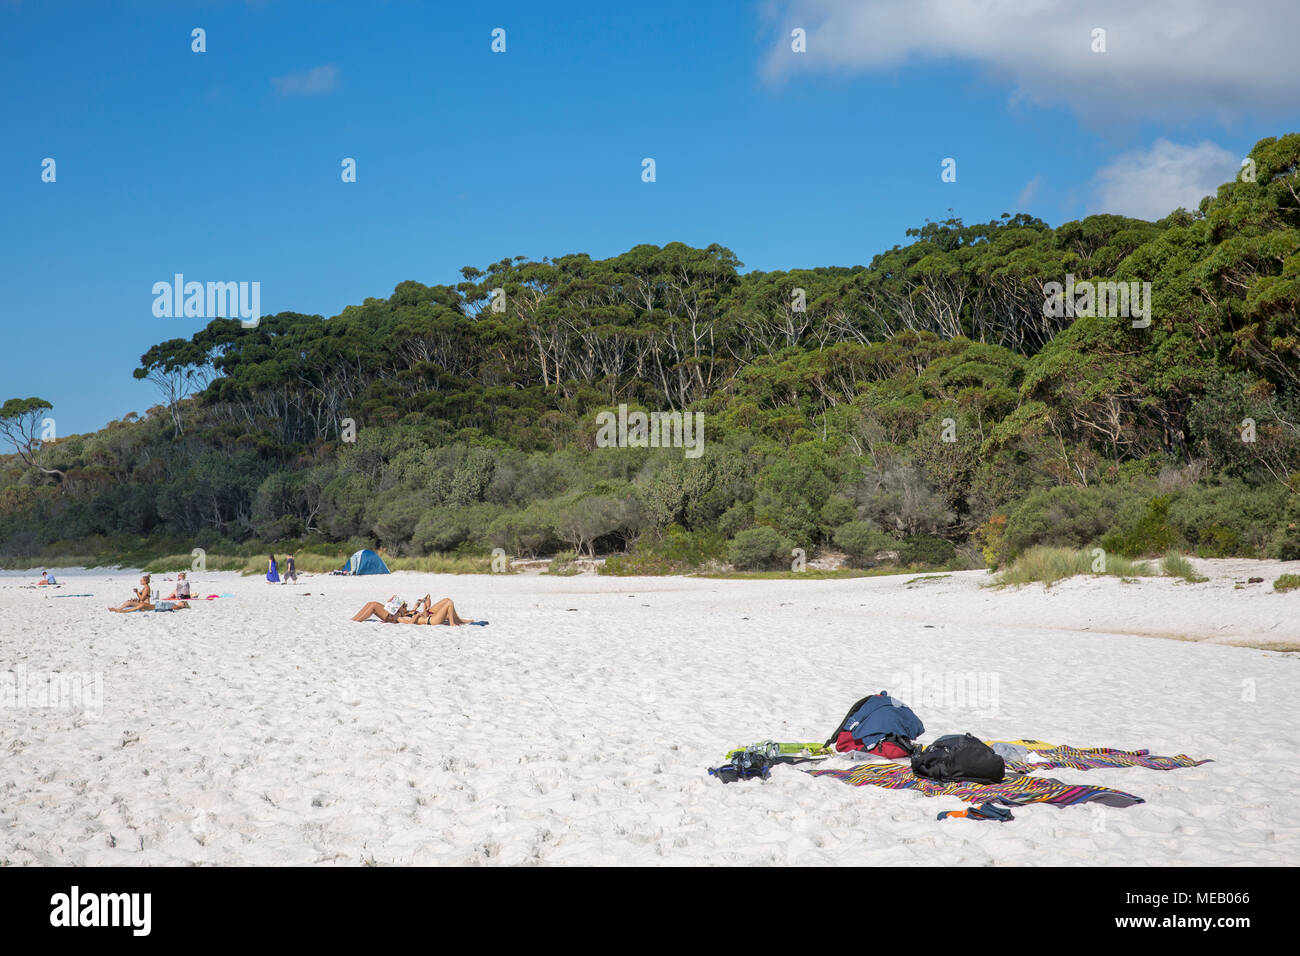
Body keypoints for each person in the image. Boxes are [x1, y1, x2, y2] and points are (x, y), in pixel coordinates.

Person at [350, 595, 474, 625]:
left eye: (404, 605)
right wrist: (421, 608)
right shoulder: (402, 615)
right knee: (371, 603)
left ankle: (458, 621)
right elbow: (412, 618)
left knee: (448, 601)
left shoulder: (403, 614)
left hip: (430, 619)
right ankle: (354, 619)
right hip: (429, 618)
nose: (405, 606)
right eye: (404, 606)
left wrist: (422, 607)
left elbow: (413, 618)